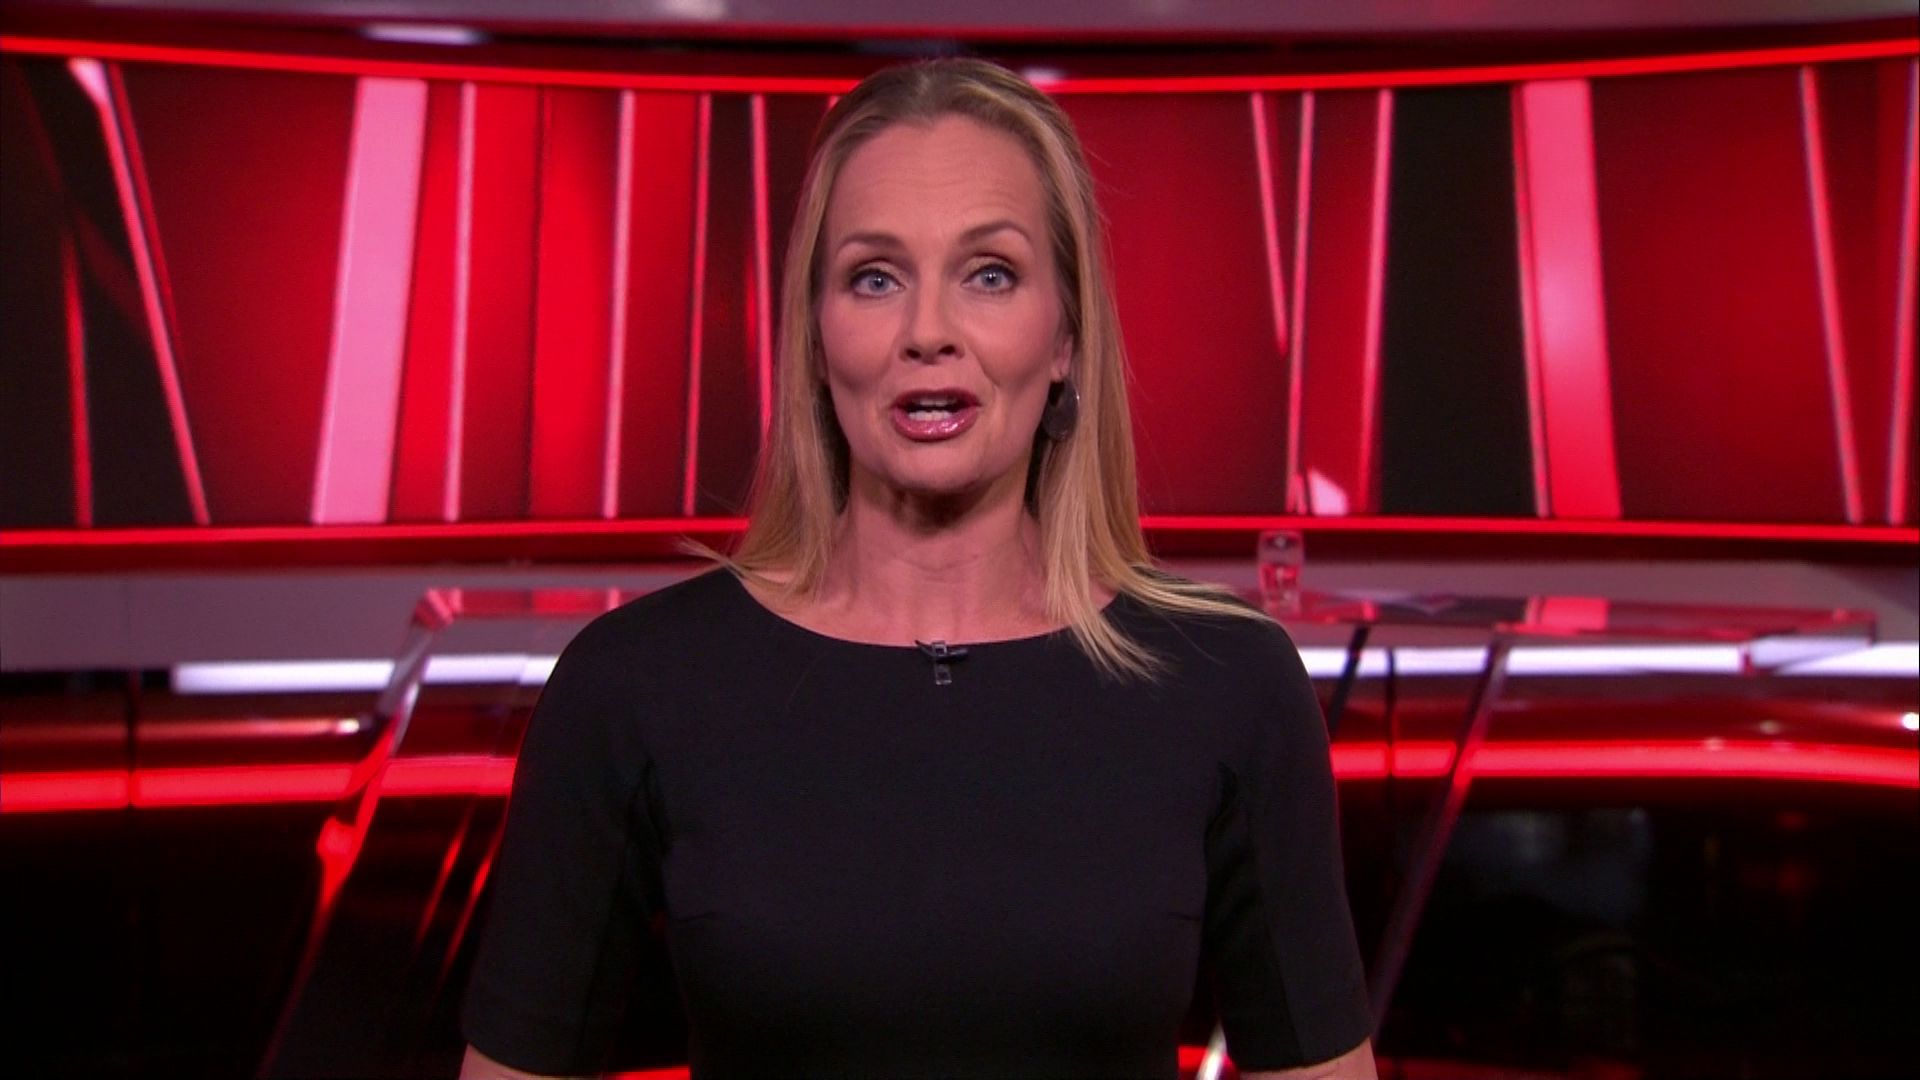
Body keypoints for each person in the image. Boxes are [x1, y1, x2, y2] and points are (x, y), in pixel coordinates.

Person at [459, 58, 1377, 1080]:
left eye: (990, 274)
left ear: (1066, 335)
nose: (928, 333)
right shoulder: (636, 685)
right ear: (816, 339)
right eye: (875, 277)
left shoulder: (1229, 683)